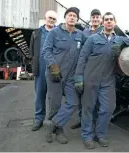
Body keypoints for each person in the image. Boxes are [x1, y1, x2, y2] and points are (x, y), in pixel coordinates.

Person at [74, 12, 129, 149]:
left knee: (108, 108)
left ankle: (100, 134)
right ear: (103, 23)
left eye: (111, 19)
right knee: (88, 108)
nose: (109, 22)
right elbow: (82, 58)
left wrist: (122, 45)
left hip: (108, 81)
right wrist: (79, 78)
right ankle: (87, 136)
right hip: (91, 78)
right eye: (106, 20)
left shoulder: (119, 39)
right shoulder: (92, 39)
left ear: (115, 22)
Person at [42, 7, 86, 144]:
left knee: (73, 102)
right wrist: (54, 67)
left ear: (77, 19)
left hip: (71, 77)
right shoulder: (55, 32)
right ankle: (58, 131)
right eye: (70, 15)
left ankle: (52, 124)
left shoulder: (80, 35)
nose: (72, 17)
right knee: (54, 104)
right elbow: (46, 50)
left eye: (74, 16)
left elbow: (89, 48)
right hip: (55, 74)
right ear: (65, 18)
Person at [71, 8, 103, 130]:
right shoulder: (84, 33)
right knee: (81, 96)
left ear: (101, 19)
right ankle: (82, 120)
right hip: (83, 68)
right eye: (93, 17)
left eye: (97, 17)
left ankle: (94, 122)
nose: (95, 19)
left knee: (96, 99)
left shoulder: (104, 32)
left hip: (98, 70)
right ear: (90, 19)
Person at [29, 10, 57, 131]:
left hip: (54, 69)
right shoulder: (36, 33)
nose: (51, 20)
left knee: (53, 96)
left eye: (54, 19)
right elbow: (32, 51)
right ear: (45, 18)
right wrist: (33, 66)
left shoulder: (58, 33)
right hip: (40, 69)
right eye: (49, 18)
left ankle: (53, 121)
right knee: (40, 94)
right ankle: (38, 119)